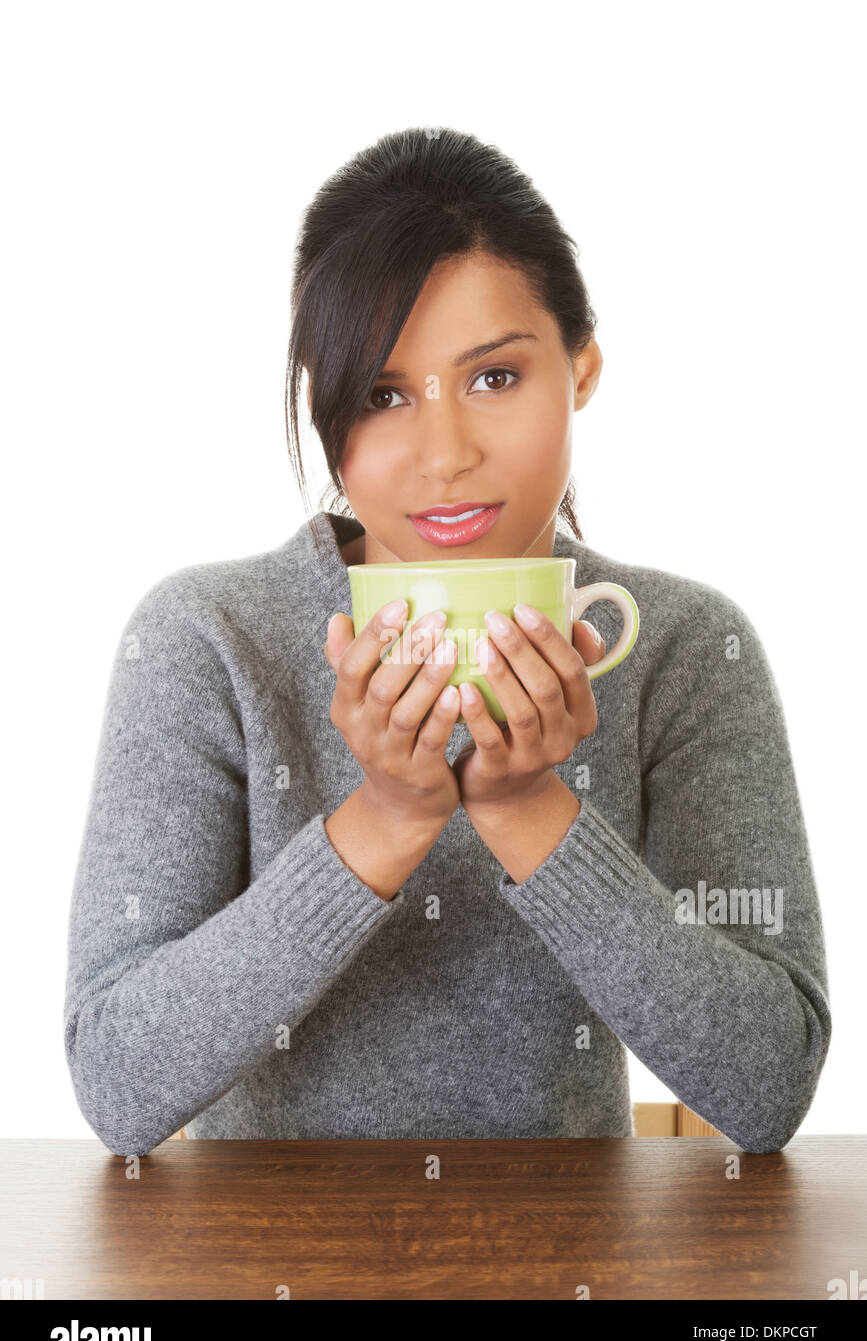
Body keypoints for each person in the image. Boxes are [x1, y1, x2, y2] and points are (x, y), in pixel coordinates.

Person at [64, 127, 831, 1157]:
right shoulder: (208, 639)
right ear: (325, 412)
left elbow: (768, 1082)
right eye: (383, 397)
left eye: (495, 378)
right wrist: (378, 824)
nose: (446, 454)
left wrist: (534, 813)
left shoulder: (684, 648)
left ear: (583, 366)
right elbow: (117, 1082)